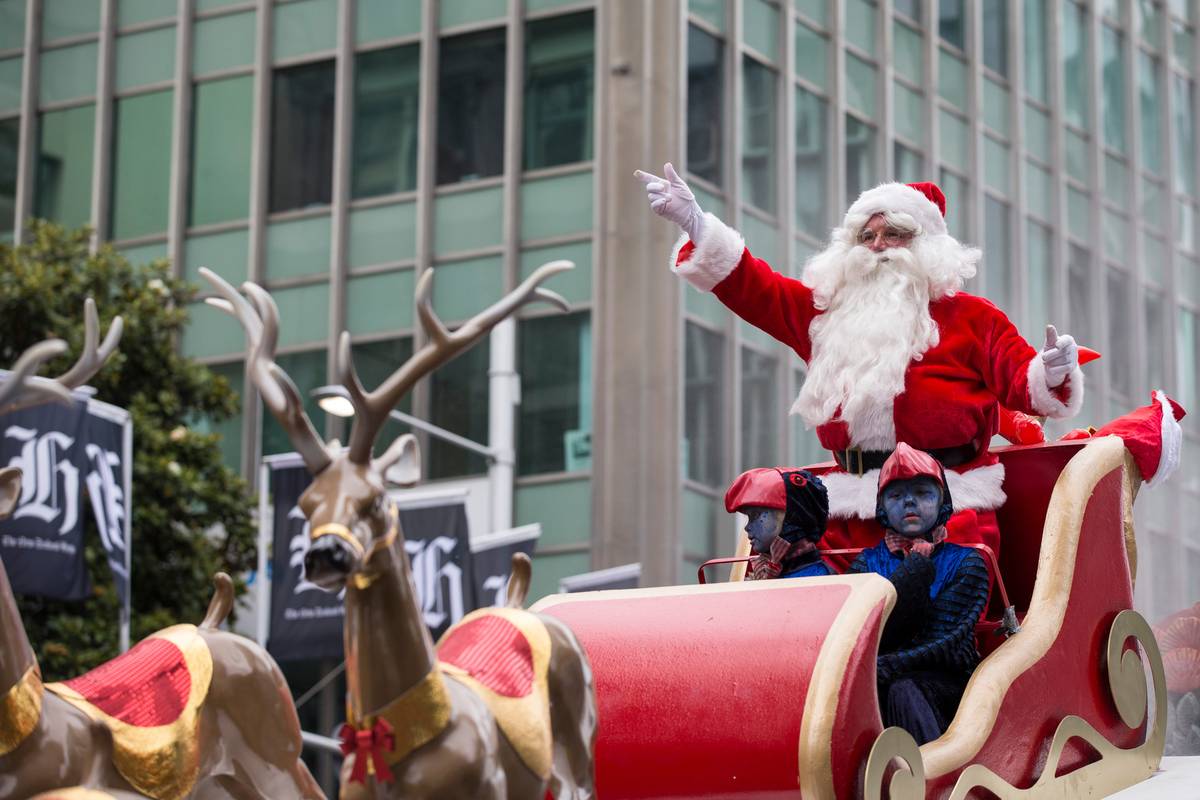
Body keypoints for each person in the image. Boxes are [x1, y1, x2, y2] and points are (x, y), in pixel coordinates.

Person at [635, 165, 1084, 560]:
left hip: (952, 508)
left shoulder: (972, 316)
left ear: (926, 244)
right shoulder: (826, 315)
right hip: (850, 513)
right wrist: (696, 224)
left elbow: (1024, 383)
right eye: (865, 237)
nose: (877, 246)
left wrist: (1055, 371)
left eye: (894, 235)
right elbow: (758, 289)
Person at [848, 443, 990, 744]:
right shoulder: (866, 564)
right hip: (878, 677)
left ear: (942, 502)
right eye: (896, 495)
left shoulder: (968, 563)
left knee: (902, 690)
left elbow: (943, 644)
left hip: (948, 684)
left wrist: (916, 568)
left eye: (923, 493)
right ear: (882, 507)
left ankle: (930, 782)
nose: (909, 502)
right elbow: (866, 633)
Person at [724, 467, 831, 579]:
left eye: (755, 515)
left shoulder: (814, 577)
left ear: (790, 516)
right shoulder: (763, 571)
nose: (747, 527)